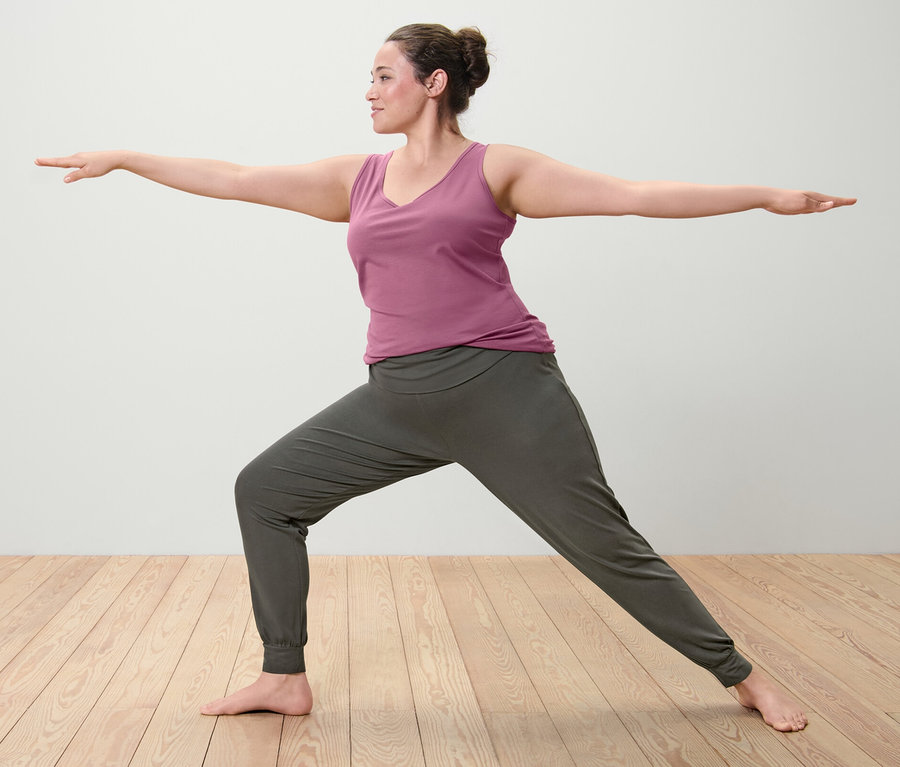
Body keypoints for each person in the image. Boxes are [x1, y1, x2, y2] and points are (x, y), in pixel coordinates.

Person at [36, 23, 855, 734]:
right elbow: (239, 178)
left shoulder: (499, 168)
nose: (368, 92)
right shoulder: (356, 180)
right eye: (369, 78)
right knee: (266, 490)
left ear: (433, 84)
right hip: (396, 398)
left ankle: (742, 676)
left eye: (382, 76)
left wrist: (767, 197)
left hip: (505, 391)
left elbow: (632, 195)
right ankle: (284, 675)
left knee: (607, 547)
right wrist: (129, 158)